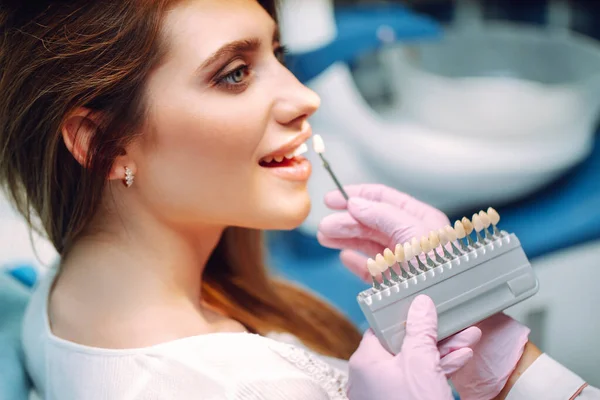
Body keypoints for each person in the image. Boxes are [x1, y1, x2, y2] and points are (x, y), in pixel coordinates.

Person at [0, 1, 594, 399]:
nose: (304, 97)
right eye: (233, 73)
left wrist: (495, 352)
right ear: (102, 142)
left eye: (276, 56)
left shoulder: (71, 289)